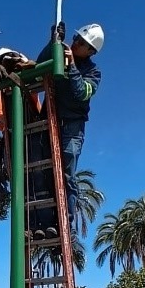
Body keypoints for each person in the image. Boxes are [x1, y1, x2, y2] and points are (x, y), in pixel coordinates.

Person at [33, 22, 104, 238]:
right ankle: (44, 224)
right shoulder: (59, 55)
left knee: (66, 175)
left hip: (72, 128)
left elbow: (81, 93)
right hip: (49, 121)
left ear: (91, 50)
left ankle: (65, 224)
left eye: (81, 43)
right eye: (75, 39)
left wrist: (71, 66)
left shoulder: (93, 72)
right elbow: (40, 64)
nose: (75, 43)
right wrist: (52, 42)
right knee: (41, 171)